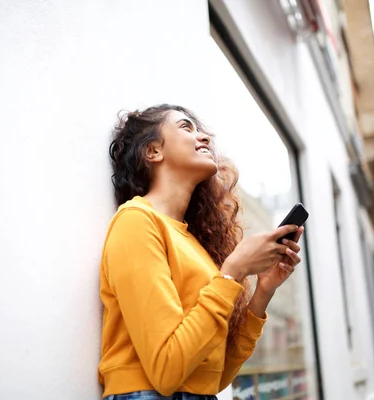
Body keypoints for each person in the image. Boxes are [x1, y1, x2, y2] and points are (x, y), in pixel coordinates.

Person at [98, 104, 304, 400]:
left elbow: (214, 378)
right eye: (186, 127)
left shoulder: (195, 244)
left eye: (202, 130)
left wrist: (263, 292)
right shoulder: (136, 221)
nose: (205, 137)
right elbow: (167, 370)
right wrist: (232, 272)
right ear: (153, 151)